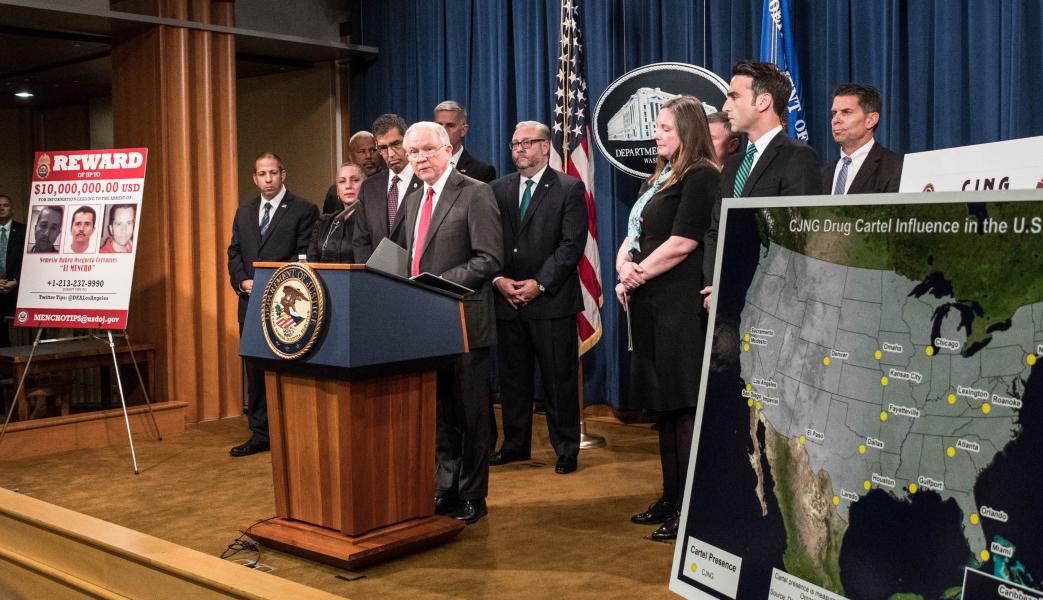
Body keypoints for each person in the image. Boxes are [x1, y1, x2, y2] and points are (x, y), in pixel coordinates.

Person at [614, 96, 720, 542]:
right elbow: (634, 234)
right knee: (664, 406)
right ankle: (670, 497)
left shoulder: (701, 176)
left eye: (664, 128)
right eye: (656, 127)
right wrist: (623, 267)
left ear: (688, 130)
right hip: (649, 305)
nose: (655, 134)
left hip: (678, 306)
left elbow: (683, 243)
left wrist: (636, 274)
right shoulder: (659, 177)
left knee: (683, 406)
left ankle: (690, 508)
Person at [400, 121, 502, 524]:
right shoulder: (413, 199)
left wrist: (435, 283)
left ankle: (474, 494)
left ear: (447, 149)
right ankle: (446, 487)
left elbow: (489, 259)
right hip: (425, 325)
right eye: (413, 152)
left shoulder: (475, 192)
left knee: (471, 414)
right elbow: (410, 257)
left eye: (427, 149)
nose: (420, 158)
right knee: (440, 412)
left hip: (465, 321)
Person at [489, 121, 587, 474]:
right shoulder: (497, 189)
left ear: (545, 147)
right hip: (507, 299)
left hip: (551, 301)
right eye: (515, 143)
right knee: (513, 380)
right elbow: (488, 240)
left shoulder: (569, 188)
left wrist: (539, 283)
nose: (519, 149)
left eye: (526, 143)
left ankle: (566, 449)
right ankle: (515, 445)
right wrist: (499, 279)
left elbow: (571, 245)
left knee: (558, 380)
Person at [701, 60, 821, 309]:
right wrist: (715, 283)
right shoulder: (733, 165)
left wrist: (739, 288)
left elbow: (796, 239)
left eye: (734, 97)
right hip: (724, 303)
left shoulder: (798, 157)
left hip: (770, 302)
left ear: (764, 101)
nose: (725, 107)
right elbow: (715, 231)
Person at [227, 152, 319, 457]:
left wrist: (271, 283)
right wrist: (242, 281)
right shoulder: (244, 212)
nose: (268, 179)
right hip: (250, 302)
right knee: (254, 371)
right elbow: (234, 252)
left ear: (283, 174)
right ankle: (260, 433)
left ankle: (292, 432)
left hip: (286, 305)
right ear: (254, 178)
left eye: (273, 173)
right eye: (262, 174)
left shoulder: (304, 209)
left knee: (288, 369)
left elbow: (304, 255)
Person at [352, 114, 421, 263]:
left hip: (416, 274)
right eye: (383, 148)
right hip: (375, 274)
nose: (390, 154)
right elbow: (361, 241)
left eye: (396, 144)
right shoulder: (369, 187)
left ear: (407, 141)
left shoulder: (425, 181)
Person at [823, 82, 903, 194]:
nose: (835, 120)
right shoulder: (823, 173)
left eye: (846, 112)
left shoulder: (895, 167)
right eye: (834, 113)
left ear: (871, 120)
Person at [308, 162, 366, 263]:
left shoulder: (371, 222)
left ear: (366, 185)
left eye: (355, 180)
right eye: (342, 181)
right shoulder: (324, 222)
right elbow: (311, 259)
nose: (348, 186)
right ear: (337, 191)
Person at [434, 100, 496, 183]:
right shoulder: (422, 166)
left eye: (450, 126)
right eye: (439, 125)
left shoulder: (482, 172)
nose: (443, 130)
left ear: (463, 130)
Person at [322, 131, 383, 215]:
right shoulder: (336, 191)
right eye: (362, 151)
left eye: (373, 150)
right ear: (351, 156)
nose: (368, 156)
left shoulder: (389, 184)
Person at [0, 195, 26, 346]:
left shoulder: (23, 230)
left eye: (5, 205)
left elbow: (28, 261)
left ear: (12, 209)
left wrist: (16, 281)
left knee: (23, 331)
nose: (2, 208)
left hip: (18, 288)